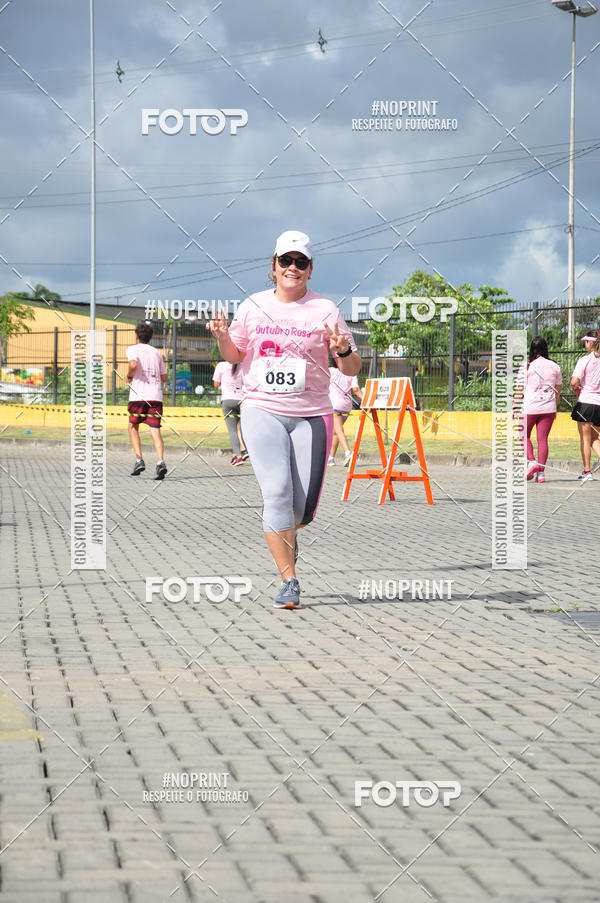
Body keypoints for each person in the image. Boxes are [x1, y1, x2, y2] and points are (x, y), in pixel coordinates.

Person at [208, 230, 361, 610]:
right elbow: (235, 355)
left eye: (300, 262)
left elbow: (352, 367)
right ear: (274, 266)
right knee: (276, 494)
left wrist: (343, 350)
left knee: (300, 510)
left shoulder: (325, 309)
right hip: (261, 408)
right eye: (286, 261)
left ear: (310, 269)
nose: (293, 267)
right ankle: (288, 579)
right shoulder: (253, 305)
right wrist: (222, 337)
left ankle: (286, 534)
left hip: (312, 414)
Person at [515, 336, 562, 484]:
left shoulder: (527, 365)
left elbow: (520, 389)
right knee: (543, 439)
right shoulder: (555, 366)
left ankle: (532, 462)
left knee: (523, 435)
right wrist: (555, 406)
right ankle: (541, 474)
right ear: (545, 348)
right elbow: (558, 389)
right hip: (549, 407)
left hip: (530, 406)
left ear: (531, 349)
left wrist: (514, 406)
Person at [126, 321, 168, 480]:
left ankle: (139, 460)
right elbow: (164, 377)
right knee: (155, 430)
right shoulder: (157, 353)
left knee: (132, 426)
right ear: (150, 337)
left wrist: (129, 376)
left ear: (137, 336)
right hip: (155, 396)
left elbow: (133, 364)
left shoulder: (132, 349)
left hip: (138, 396)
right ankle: (160, 462)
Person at [570, 330, 600, 483]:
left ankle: (587, 471)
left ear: (590, 342)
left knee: (585, 439)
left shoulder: (584, 360)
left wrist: (577, 388)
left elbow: (574, 381)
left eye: (585, 342)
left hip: (586, 403)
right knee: (595, 437)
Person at [213, 360, 248, 466]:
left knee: (232, 430)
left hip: (228, 400)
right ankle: (243, 450)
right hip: (242, 401)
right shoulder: (244, 365)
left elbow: (216, 384)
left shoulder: (221, 365)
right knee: (241, 428)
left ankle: (238, 456)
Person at [327, 362, 363, 466]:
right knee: (335, 432)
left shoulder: (331, 371)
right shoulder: (352, 373)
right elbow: (356, 390)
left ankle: (348, 453)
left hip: (334, 404)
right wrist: (367, 400)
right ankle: (331, 458)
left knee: (339, 430)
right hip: (346, 406)